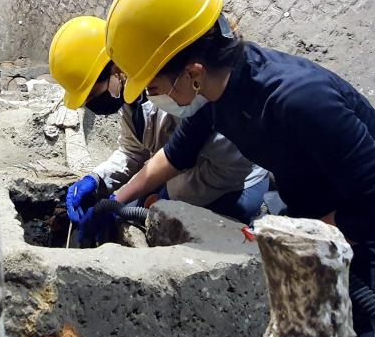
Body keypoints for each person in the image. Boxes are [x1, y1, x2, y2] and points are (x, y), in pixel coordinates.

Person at [103, 0, 375, 337]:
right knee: (269, 313)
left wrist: (289, 238)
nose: (153, 97)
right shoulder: (220, 91)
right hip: (319, 213)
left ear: (193, 73)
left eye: (153, 85)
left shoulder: (299, 99)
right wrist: (115, 200)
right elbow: (173, 156)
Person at [48, 15, 268, 248]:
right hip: (175, 172)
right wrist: (97, 178)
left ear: (115, 70)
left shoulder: (182, 92)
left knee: (153, 219)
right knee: (135, 205)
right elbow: (133, 152)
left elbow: (227, 170)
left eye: (93, 94)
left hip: (232, 184)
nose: (93, 104)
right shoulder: (131, 98)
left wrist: (166, 196)